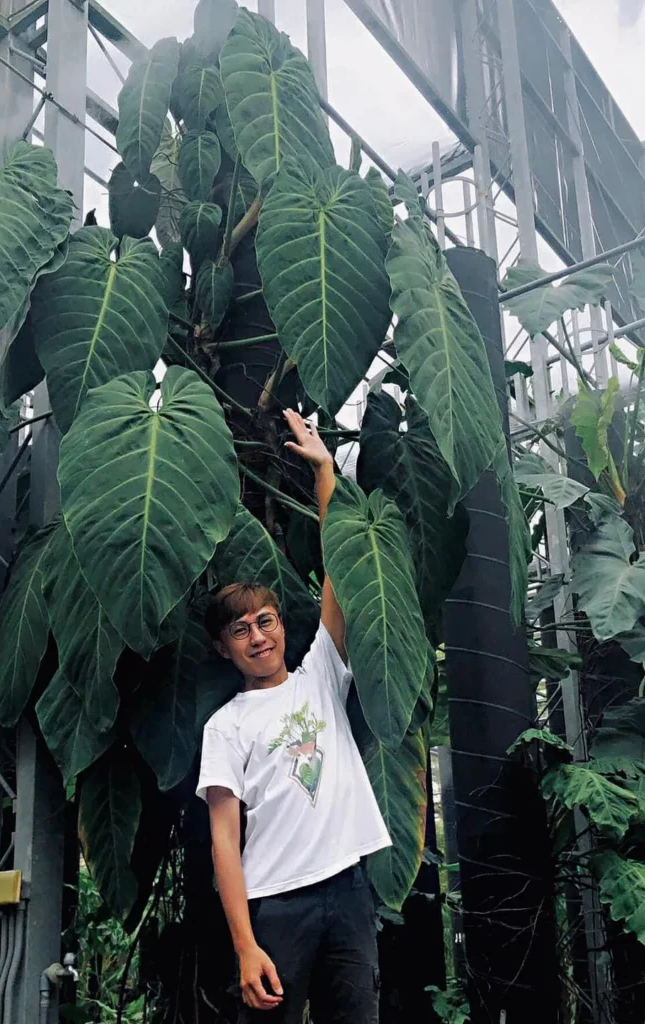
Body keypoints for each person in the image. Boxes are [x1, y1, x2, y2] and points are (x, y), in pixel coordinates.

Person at [196, 408, 392, 1023]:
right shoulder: (226, 726)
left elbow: (340, 573)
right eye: (241, 630)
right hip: (276, 905)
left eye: (266, 621)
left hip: (349, 890)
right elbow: (224, 841)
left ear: (282, 626)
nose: (258, 637)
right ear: (223, 647)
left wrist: (324, 471)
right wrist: (245, 944)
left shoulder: (321, 677)